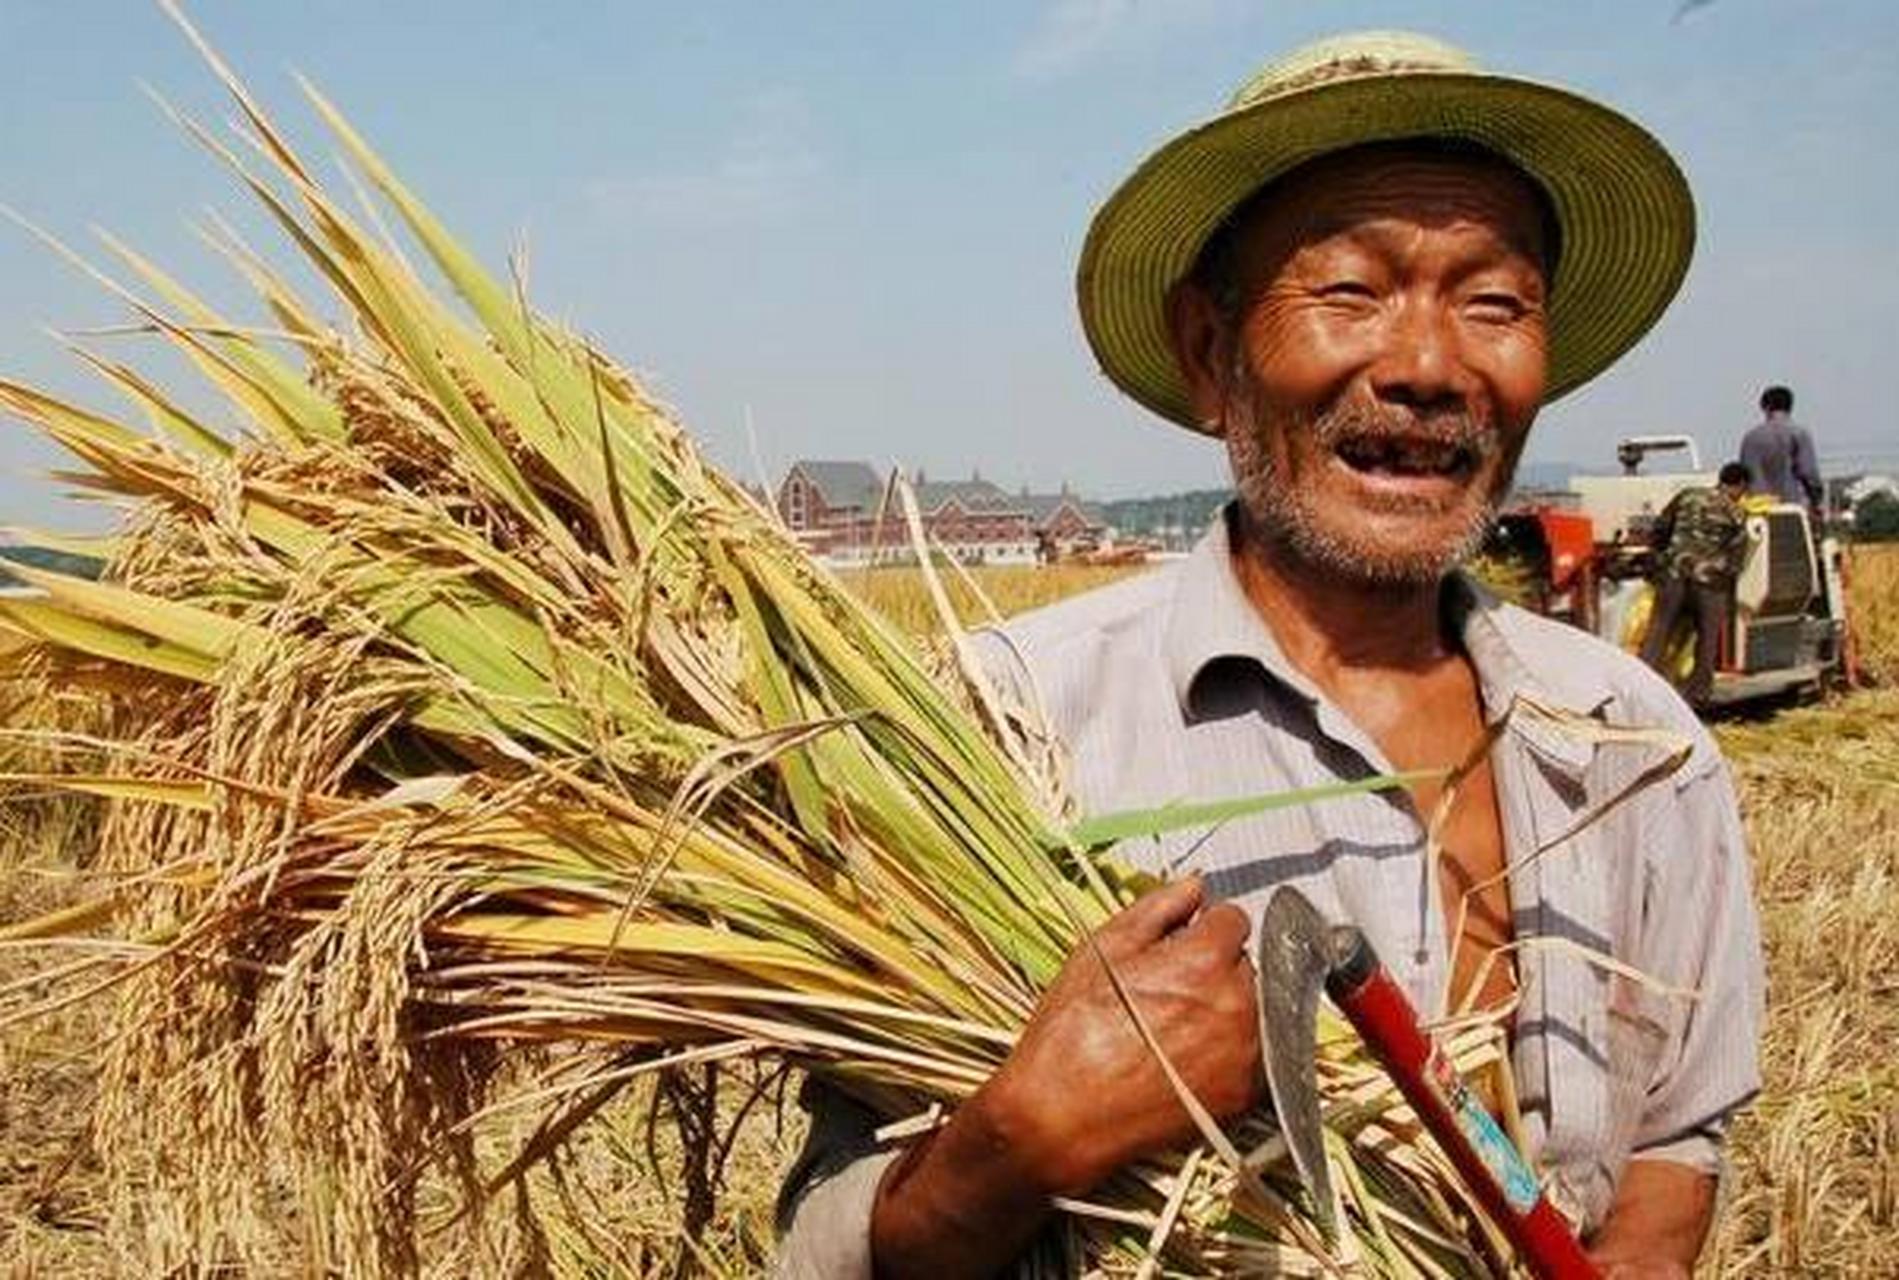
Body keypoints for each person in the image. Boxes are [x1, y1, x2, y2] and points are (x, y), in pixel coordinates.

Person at [775, 31, 1762, 1280]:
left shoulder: (1639, 750)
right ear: (1209, 353)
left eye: (1495, 302)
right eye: (1350, 289)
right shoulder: (1002, 731)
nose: (1424, 365)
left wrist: (1647, 1245)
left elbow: (1682, 1125)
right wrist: (1021, 1137)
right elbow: (817, 1242)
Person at [1640, 463, 1752, 709]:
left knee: (1658, 632)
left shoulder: (1688, 495)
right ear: (1741, 485)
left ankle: (1640, 687)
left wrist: (1660, 556)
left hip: (1674, 573)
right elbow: (1737, 558)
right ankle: (1698, 696)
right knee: (1708, 637)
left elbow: (1660, 527)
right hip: (1708, 584)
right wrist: (1722, 577)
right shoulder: (1737, 513)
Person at [1739, 385, 1823, 517]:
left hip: (1758, 512)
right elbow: (1809, 473)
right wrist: (1816, 501)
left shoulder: (1750, 438)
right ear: (1790, 406)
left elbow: (1743, 479)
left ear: (1765, 407)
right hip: (1792, 509)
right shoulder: (1799, 434)